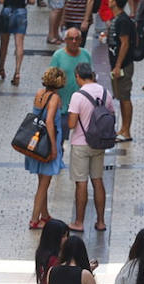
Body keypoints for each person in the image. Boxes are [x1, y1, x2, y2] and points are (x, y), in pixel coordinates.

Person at [67, 62, 113, 232]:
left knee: (81, 183)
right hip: (99, 143)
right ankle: (101, 221)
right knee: (98, 180)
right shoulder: (105, 93)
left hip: (81, 144)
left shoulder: (77, 96)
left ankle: (79, 222)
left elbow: (72, 124)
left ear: (78, 76)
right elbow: (111, 115)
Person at [27, 67, 68, 229]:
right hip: (47, 144)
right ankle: (34, 219)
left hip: (36, 142)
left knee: (41, 181)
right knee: (44, 184)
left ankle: (44, 214)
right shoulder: (55, 99)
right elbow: (50, 121)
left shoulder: (39, 94)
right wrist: (53, 147)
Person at [0, 0, 34, 86]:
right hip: (21, 13)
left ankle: (1, 67)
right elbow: (32, 0)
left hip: (7, 13)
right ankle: (17, 72)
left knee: (4, 44)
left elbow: (1, 0)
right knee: (19, 44)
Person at [107, 0, 137, 140]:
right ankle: (123, 129)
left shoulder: (123, 20)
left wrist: (118, 65)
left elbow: (125, 44)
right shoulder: (117, 19)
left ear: (116, 2)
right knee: (121, 96)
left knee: (125, 97)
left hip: (123, 66)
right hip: (117, 65)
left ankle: (126, 131)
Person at [48, 27, 93, 112]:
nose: (74, 41)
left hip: (82, 105)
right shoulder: (58, 56)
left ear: (81, 40)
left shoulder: (86, 54)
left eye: (77, 39)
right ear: (65, 40)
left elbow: (92, 77)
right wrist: (56, 99)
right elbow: (50, 81)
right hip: (62, 106)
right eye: (71, 39)